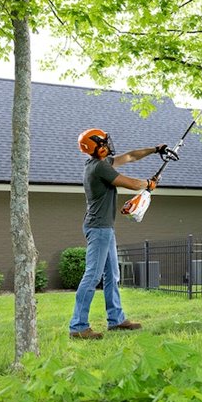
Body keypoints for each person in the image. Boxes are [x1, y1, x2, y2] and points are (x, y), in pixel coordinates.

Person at [69, 128, 177, 339]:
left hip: (104, 228)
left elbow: (130, 156)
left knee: (112, 275)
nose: (108, 146)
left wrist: (156, 149)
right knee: (92, 276)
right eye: (104, 144)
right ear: (96, 148)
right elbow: (130, 183)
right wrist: (148, 184)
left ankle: (116, 320)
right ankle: (78, 326)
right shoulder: (99, 168)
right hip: (99, 228)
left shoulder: (99, 163)